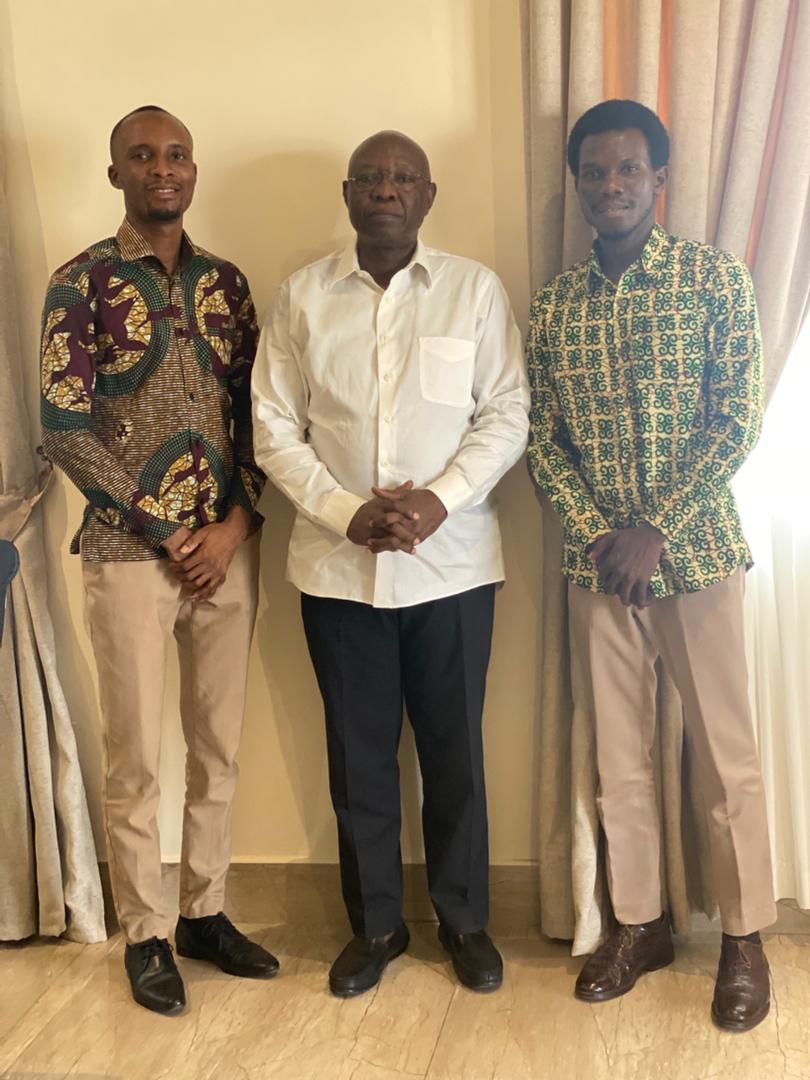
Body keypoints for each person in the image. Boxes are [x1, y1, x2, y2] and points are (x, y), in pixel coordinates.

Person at [252, 130, 529, 997]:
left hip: (453, 569)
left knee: (455, 755)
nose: (386, 189)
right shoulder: (302, 298)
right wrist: (347, 511)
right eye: (370, 177)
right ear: (347, 194)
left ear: (429, 195)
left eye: (403, 177)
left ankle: (464, 921)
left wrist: (438, 500)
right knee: (358, 758)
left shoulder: (474, 292)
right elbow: (272, 426)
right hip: (338, 572)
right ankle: (375, 926)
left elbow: (506, 412)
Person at [527, 98, 776, 1032]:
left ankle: (745, 938)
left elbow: (737, 420)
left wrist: (658, 528)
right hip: (598, 567)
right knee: (618, 759)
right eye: (594, 172)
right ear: (578, 185)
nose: (611, 186)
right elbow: (540, 438)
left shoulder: (714, 280)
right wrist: (598, 532)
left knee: (726, 758)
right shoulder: (554, 307)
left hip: (698, 554)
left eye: (628, 169)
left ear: (659, 179)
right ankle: (639, 925)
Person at [40, 105, 278, 1015]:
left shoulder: (228, 285)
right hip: (129, 553)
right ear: (117, 175)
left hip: (226, 552)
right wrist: (164, 528)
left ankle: (204, 914)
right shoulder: (80, 283)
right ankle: (146, 933)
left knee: (219, 748)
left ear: (194, 169)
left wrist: (234, 525)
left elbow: (257, 415)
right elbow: (63, 424)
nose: (163, 168)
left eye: (177, 154)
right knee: (136, 756)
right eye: (142, 156)